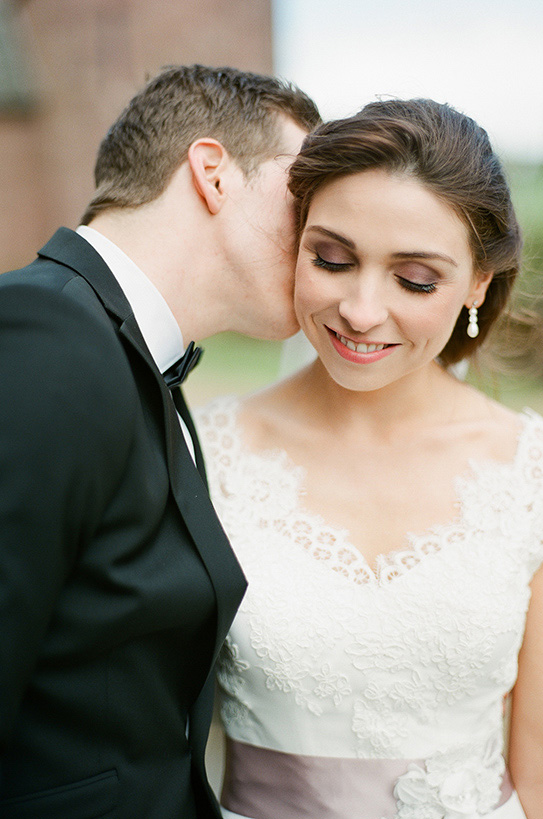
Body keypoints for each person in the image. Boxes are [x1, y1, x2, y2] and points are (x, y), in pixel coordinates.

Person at [195, 99, 543, 818]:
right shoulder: (207, 454)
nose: (360, 308)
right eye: (331, 258)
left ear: (478, 283)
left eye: (414, 279)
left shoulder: (541, 479)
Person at [0, 64, 320, 819]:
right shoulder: (42, 336)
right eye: (304, 197)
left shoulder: (140, 362)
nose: (321, 240)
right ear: (213, 173)